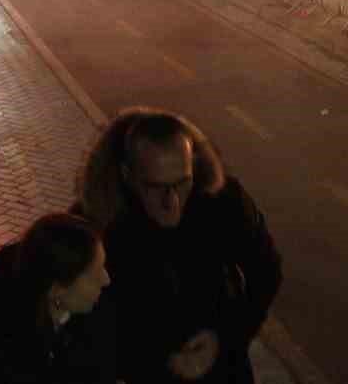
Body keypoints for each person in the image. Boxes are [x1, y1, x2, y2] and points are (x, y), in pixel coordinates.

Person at [77, 108, 282, 384]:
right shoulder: (98, 223)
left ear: (193, 168)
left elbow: (266, 269)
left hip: (225, 371)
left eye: (182, 184)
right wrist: (145, 360)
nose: (171, 202)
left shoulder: (223, 200)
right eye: (155, 187)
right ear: (127, 175)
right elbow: (85, 320)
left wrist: (228, 338)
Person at [0, 212, 116, 384]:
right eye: (93, 275)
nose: (106, 279)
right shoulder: (2, 352)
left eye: (103, 266)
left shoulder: (93, 308)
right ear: (57, 290)